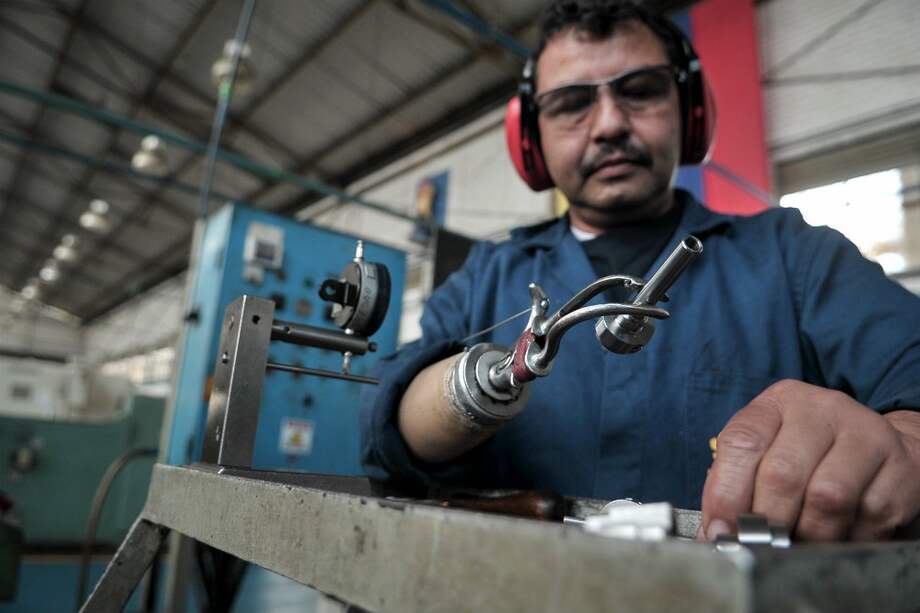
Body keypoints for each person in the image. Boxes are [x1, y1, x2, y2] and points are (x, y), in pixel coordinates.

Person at [360, 0, 920, 542]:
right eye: (572, 103)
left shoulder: (796, 256)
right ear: (530, 139)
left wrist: (903, 445)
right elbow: (386, 438)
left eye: (641, 91)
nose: (608, 124)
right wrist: (474, 391)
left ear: (691, 112)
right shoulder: (485, 277)